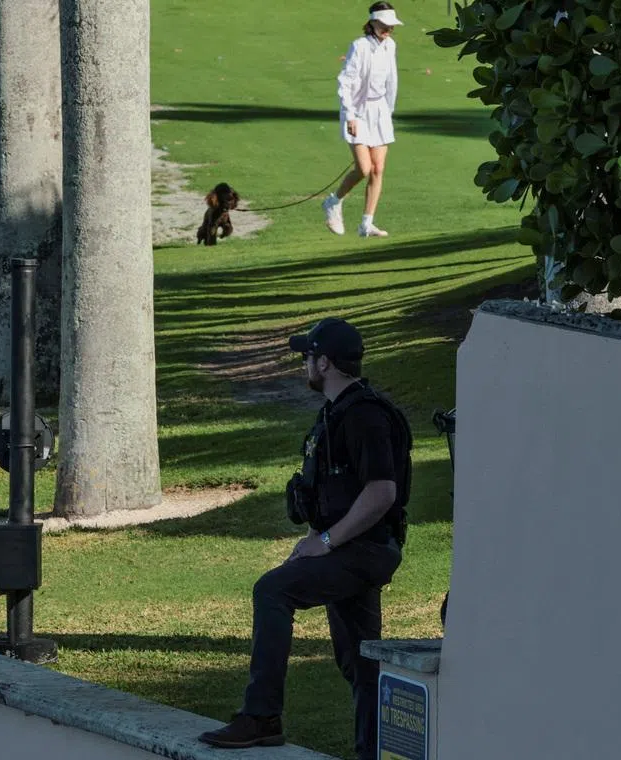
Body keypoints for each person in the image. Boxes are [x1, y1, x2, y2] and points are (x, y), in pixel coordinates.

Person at [199, 317, 412, 760]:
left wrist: (328, 541)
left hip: (365, 550)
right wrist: (316, 535)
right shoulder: (337, 413)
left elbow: (381, 492)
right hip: (353, 547)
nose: (304, 365)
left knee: (273, 590)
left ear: (326, 362)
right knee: (361, 662)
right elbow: (342, 491)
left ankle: (262, 717)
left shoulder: (366, 416)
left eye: (307, 357)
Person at [321, 2, 404, 238]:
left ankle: (366, 224)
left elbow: (392, 81)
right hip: (357, 111)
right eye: (384, 24)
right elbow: (345, 82)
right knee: (364, 168)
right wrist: (350, 115)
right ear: (373, 23)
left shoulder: (390, 46)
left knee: (378, 169)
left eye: (391, 25)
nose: (388, 29)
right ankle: (333, 202)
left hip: (380, 111)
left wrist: (388, 112)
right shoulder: (359, 46)